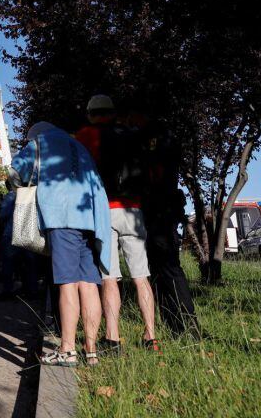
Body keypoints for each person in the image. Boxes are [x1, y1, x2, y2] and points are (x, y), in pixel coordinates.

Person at [11, 121, 111, 367]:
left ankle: (67, 350)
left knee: (67, 283)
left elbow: (15, 172)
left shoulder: (39, 144)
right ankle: (91, 350)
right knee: (89, 283)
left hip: (62, 217)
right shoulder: (78, 145)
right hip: (90, 219)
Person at [75, 95, 159, 354]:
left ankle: (112, 338)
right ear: (113, 112)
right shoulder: (133, 135)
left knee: (109, 278)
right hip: (133, 210)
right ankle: (151, 336)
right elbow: (151, 171)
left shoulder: (85, 135)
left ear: (90, 113)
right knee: (141, 277)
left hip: (104, 210)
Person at [134, 114, 199, 337]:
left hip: (158, 211)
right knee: (163, 270)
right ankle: (177, 324)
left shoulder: (153, 140)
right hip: (163, 211)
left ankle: (185, 325)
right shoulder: (165, 138)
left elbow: (152, 176)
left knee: (168, 269)